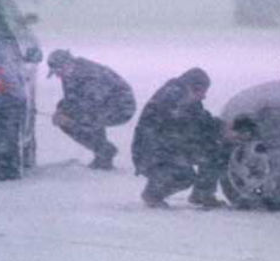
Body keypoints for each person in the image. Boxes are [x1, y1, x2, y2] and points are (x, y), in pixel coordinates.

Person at [132, 68, 228, 209]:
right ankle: (153, 194)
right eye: (203, 91)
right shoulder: (171, 97)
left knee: (214, 151)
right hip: (151, 151)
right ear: (194, 86)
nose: (204, 96)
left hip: (169, 146)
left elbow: (201, 120)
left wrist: (223, 128)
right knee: (183, 175)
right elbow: (186, 125)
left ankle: (202, 194)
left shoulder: (187, 97)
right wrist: (217, 132)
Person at [48, 49, 136, 170]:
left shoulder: (90, 74)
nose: (58, 76)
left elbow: (91, 103)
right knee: (72, 120)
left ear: (68, 64)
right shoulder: (69, 74)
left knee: (86, 118)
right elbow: (71, 99)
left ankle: (104, 153)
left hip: (121, 107)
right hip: (101, 105)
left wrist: (69, 117)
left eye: (59, 71)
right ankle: (102, 151)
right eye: (55, 73)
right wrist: (60, 110)